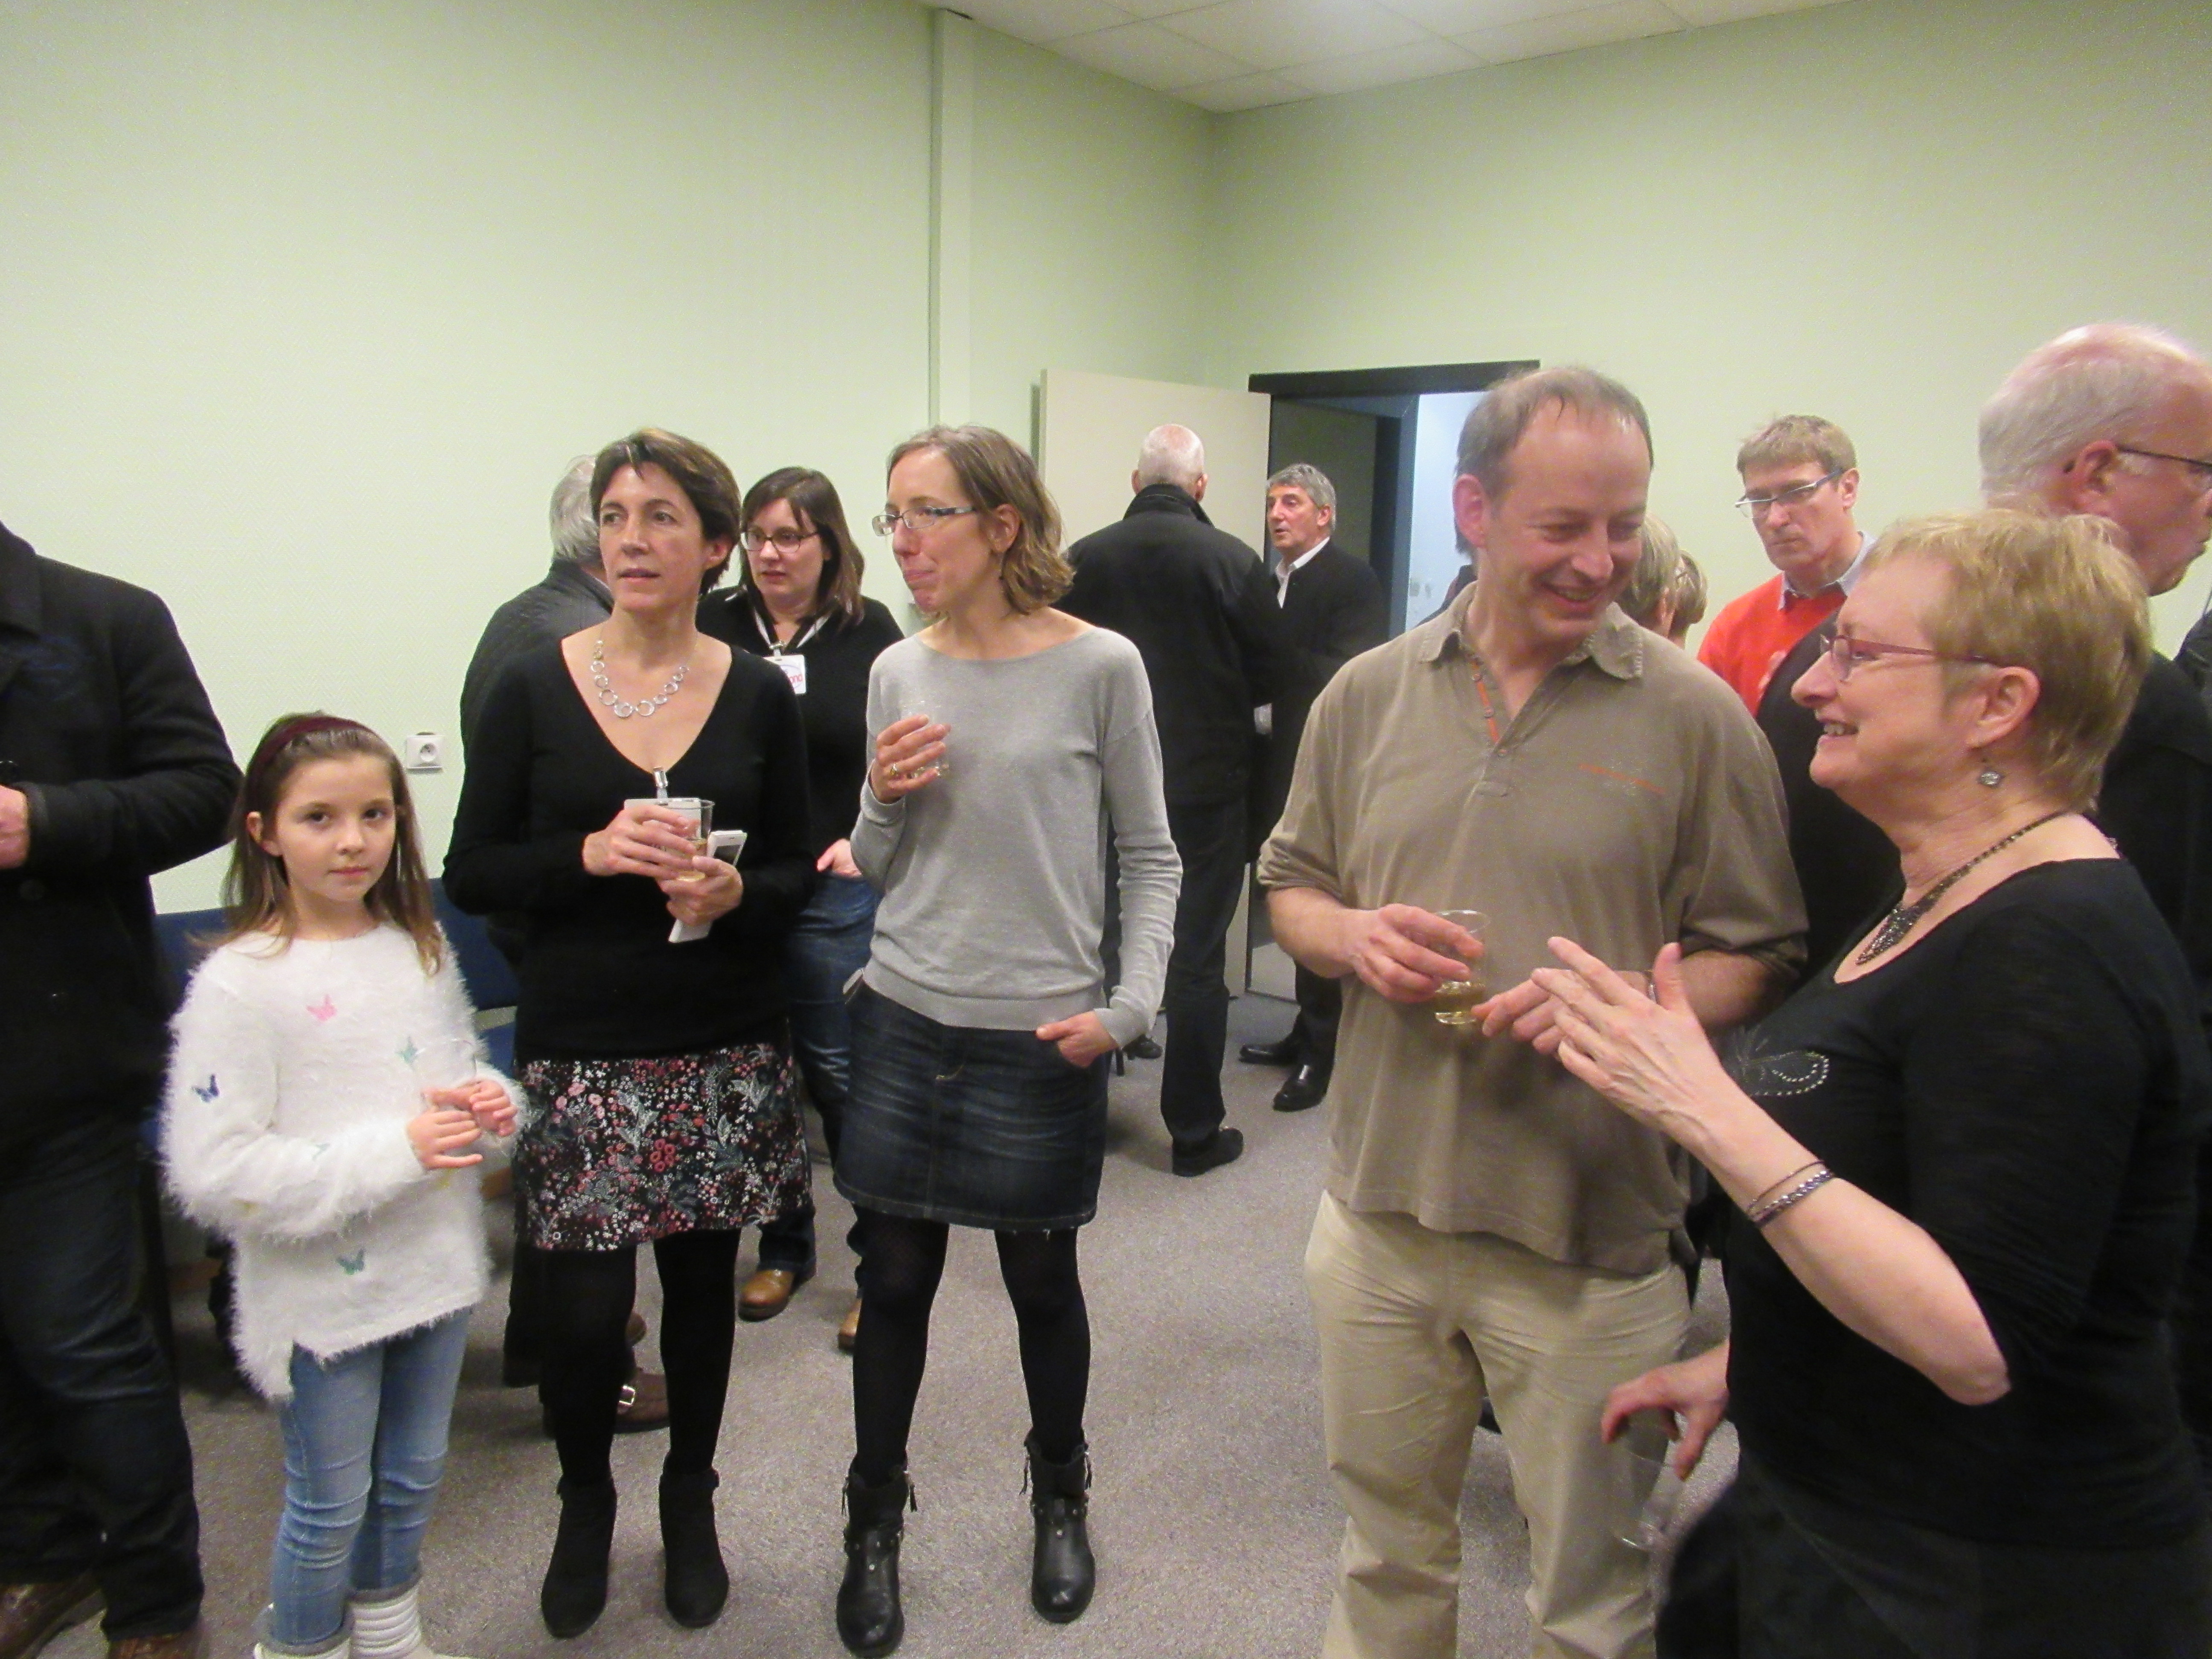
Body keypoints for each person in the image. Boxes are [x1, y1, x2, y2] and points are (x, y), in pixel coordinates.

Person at [1551, 511, 2212, 1657]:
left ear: (1997, 703)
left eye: (1859, 653)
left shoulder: (2052, 946)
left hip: (1977, 1572)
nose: (1813, 682)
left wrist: (1700, 1103)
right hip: (1850, 1505)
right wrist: (1755, 1362)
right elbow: (1916, 1194)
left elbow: (1975, 1337)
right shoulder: (1943, 890)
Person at [1259, 367, 1803, 1659]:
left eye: (1624, 525)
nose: (1600, 560)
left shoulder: (1695, 718)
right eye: (1564, 526)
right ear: (1474, 511)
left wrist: (1628, 1014)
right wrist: (1351, 937)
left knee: (1592, 1604)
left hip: (1592, 1242)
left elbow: (1763, 950)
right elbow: (1292, 888)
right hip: (1379, 1217)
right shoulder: (1367, 694)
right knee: (1386, 1557)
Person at [445, 428, 814, 1639]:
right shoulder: (532, 683)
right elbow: (473, 867)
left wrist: (736, 892)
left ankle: (689, 1497)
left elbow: (796, 874)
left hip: (721, 1034)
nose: (632, 539)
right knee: (583, 1309)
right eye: (615, 516)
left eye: (661, 517)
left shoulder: (756, 691)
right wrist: (590, 855)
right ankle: (585, 1499)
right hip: (585, 1042)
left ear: (715, 546)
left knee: (703, 1293)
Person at [830, 425, 1178, 1656]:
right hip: (905, 1008)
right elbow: (875, 861)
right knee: (892, 1284)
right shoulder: (898, 669)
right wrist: (880, 796)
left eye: (926, 513)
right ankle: (874, 1523)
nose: (903, 541)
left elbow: (1151, 855)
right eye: (892, 516)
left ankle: (1060, 1498)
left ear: (1003, 525)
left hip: (1039, 1028)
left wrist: (1130, 1006)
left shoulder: (1101, 666)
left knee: (1040, 1282)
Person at [164, 716, 518, 1659]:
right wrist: (398, 1151)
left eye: (375, 814)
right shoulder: (240, 984)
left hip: (431, 1269)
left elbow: (456, 1075)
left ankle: (391, 1636)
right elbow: (215, 1174)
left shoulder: (417, 947)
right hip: (322, 1296)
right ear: (264, 832)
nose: (353, 840)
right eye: (319, 817)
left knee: (412, 1476)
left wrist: (491, 1105)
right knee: (329, 1501)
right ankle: (302, 1647)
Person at [1981, 322, 2212, 1491]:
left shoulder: (1856, 660)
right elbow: (2172, 1029)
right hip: (2056, 1282)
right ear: (2098, 472)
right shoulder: (2142, 719)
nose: (2208, 507)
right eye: (2200, 471)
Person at [0, 517, 232, 1659]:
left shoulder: (103, 616)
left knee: (81, 1339)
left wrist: (41, 820)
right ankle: (43, 1555)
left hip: (62, 1051)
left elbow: (204, 791)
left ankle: (153, 1600)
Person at [457, 456, 667, 1433]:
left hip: (539, 917)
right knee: (593, 1168)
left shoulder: (520, 614)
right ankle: (590, 1368)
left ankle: (540, 1337)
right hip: (575, 930)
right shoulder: (573, 642)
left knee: (561, 1150)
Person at [698, 466, 903, 1342]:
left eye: (789, 536)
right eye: (758, 536)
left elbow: (899, 754)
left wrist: (864, 837)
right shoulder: (713, 623)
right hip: (738, 889)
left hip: (829, 887)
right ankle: (785, 1246)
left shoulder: (869, 631)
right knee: (758, 1077)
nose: (770, 553)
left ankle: (878, 1266)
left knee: (840, 1075)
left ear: (829, 545)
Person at [1062, 423, 1282, 1176]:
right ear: (1200, 487)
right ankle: (1193, 1131)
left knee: (1094, 946)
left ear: (1135, 483)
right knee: (1195, 959)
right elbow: (1273, 676)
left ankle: (1079, 1117)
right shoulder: (1234, 561)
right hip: (1203, 789)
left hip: (1101, 788)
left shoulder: (1081, 559)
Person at [1239, 462, 1387, 1115]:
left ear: (1324, 515)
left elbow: (1349, 674)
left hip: (1322, 767)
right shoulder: (1268, 581)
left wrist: (1270, 659)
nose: (1277, 514)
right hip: (1268, 761)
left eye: (1292, 503)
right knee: (1281, 894)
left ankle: (1321, 1052)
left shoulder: (1351, 579)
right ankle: (1301, 1031)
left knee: (1315, 896)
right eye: (1273, 503)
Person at [1697, 416, 1871, 713]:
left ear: (1848, 489)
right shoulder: (1735, 628)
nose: (1775, 519)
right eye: (1759, 501)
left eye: (1798, 493)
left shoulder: (1916, 599)